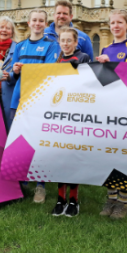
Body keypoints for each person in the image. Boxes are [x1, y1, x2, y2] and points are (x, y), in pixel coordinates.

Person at [10, 9, 59, 203]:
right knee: (19, 142)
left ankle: (41, 185)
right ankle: (20, 183)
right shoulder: (20, 46)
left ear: (45, 24)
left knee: (40, 144)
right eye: (34, 20)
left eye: (41, 21)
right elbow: (14, 75)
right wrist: (14, 71)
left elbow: (48, 72)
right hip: (18, 99)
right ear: (29, 23)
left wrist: (26, 68)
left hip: (39, 101)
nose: (37, 23)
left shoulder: (51, 45)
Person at [95, 9, 127, 219]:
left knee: (124, 153)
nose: (115, 26)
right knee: (108, 152)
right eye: (112, 23)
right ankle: (111, 197)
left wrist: (109, 64)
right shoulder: (106, 48)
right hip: (108, 106)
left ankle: (123, 201)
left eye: (120, 22)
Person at [51, 27, 90, 218]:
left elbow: (89, 84)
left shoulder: (82, 58)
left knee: (73, 157)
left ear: (76, 43)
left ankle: (74, 200)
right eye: (62, 40)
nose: (65, 44)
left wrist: (78, 74)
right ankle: (60, 198)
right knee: (60, 156)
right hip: (59, 113)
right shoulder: (57, 60)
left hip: (76, 114)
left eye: (69, 41)